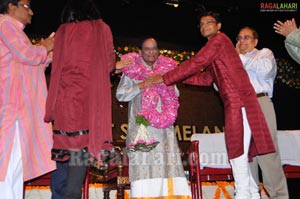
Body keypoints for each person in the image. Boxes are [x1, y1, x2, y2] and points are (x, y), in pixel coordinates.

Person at [149, 11, 275, 199]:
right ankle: (252, 193)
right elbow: (207, 78)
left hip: (239, 102)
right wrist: (175, 78)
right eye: (201, 24)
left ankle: (242, 193)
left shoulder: (219, 40)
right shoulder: (219, 48)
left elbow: (197, 61)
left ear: (218, 26)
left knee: (236, 151)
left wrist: (166, 77)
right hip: (236, 103)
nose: (204, 26)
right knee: (237, 150)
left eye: (209, 22)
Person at [44, 0, 116, 198]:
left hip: (65, 101)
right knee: (80, 154)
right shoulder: (101, 28)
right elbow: (110, 65)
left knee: (63, 155)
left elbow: (55, 65)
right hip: (89, 103)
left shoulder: (63, 30)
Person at [116, 38, 192, 199]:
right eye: (147, 49)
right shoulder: (132, 70)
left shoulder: (165, 71)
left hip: (164, 131)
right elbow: (120, 95)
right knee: (144, 165)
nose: (151, 52)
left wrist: (163, 80)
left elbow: (176, 94)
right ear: (140, 52)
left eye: (154, 49)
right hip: (142, 130)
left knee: (167, 165)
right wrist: (141, 85)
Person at [0, 0, 56, 198]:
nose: (31, 11)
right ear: (10, 7)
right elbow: (27, 55)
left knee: (15, 169)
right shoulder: (4, 24)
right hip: (10, 112)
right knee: (6, 168)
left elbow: (31, 64)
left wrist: (47, 52)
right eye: (26, 6)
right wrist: (46, 46)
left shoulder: (16, 31)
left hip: (18, 113)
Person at [236, 26, 289, 199]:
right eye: (239, 38)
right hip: (239, 106)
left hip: (260, 102)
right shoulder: (235, 60)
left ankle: (279, 196)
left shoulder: (264, 53)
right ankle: (251, 195)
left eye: (246, 37)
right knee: (245, 155)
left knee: (267, 154)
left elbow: (265, 70)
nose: (241, 41)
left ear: (255, 41)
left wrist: (238, 58)